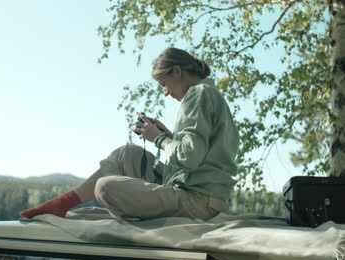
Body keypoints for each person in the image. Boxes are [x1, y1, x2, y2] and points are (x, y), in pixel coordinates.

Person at [20, 47, 239, 220]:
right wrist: (168, 135)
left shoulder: (198, 95)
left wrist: (159, 138)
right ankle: (63, 203)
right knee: (127, 154)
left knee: (105, 187)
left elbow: (188, 157)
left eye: (163, 84)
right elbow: (199, 155)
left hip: (199, 201)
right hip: (192, 190)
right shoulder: (206, 95)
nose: (164, 92)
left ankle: (71, 206)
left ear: (177, 71)